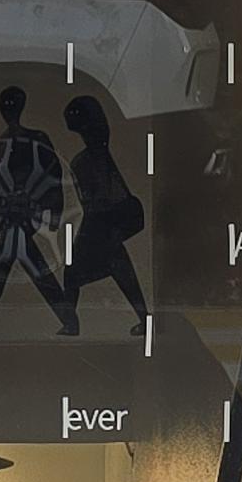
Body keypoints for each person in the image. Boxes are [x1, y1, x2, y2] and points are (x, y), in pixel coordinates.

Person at [0, 83, 79, 337]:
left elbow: (52, 174)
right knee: (20, 268)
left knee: (9, 268)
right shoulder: (5, 141)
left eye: (11, 104)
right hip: (14, 216)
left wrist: (52, 211)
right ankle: (69, 319)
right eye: (6, 104)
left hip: (25, 215)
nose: (8, 109)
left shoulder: (34, 139)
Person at [62, 92, 149, 334]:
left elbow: (99, 195)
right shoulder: (92, 156)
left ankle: (70, 324)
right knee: (119, 269)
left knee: (77, 273)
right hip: (104, 222)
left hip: (100, 222)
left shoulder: (89, 159)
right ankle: (70, 323)